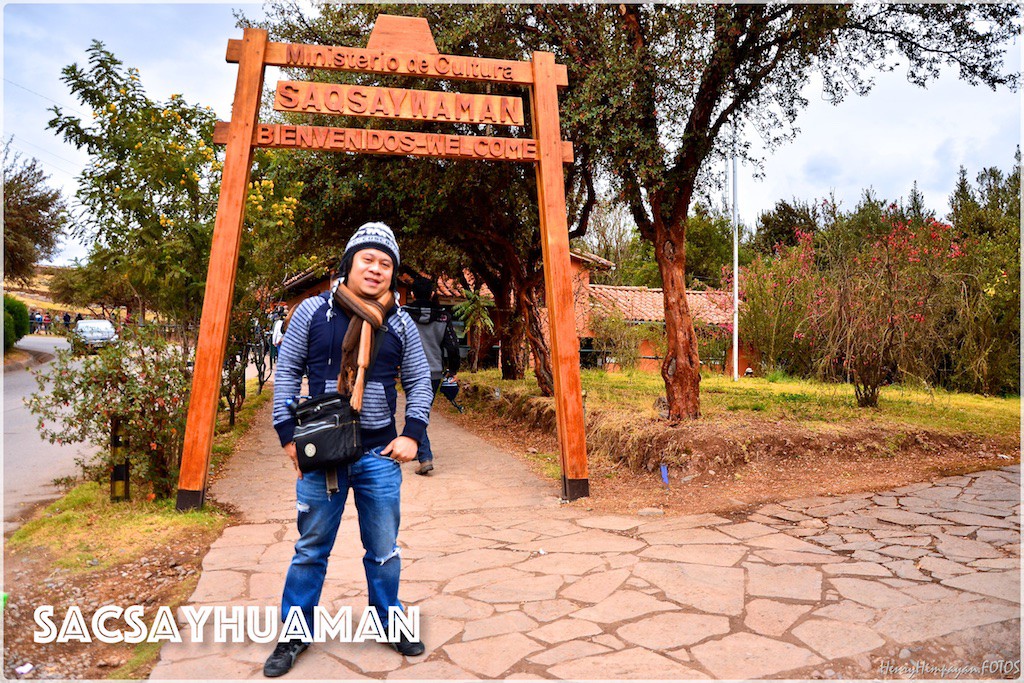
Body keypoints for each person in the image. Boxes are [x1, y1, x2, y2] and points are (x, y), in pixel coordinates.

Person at [266, 222, 433, 677]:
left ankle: (390, 621)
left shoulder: (399, 322)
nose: (376, 269)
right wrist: (286, 435)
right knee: (311, 548)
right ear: (349, 263)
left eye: (385, 263)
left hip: (378, 455)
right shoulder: (312, 313)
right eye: (368, 259)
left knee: (383, 548)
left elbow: (419, 381)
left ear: (392, 272)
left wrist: (412, 434)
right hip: (321, 454)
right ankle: (294, 632)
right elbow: (286, 374)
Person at [402, 277, 461, 475]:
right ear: (433, 294)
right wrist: (452, 370)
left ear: (412, 294)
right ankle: (421, 453)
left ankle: (425, 457)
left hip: (410, 370)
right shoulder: (443, 317)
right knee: (422, 409)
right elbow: (453, 346)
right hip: (435, 372)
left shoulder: (403, 314)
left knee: (417, 410)